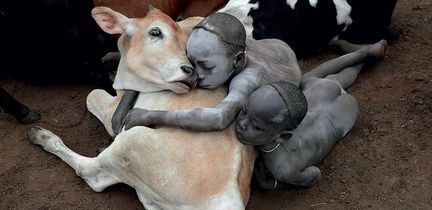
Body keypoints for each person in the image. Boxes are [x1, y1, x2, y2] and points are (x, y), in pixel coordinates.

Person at [111, 12, 301, 134]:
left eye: (206, 67)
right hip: (273, 47)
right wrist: (130, 94)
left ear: (238, 61)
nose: (196, 73)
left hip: (283, 60)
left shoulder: (248, 78)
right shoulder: (218, 45)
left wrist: (151, 116)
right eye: (192, 61)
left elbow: (219, 118)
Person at [235, 40, 387, 189]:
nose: (242, 123)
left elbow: (315, 174)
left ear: (282, 136)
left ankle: (364, 57)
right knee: (313, 80)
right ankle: (365, 54)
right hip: (333, 102)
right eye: (244, 112)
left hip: (344, 115)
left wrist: (272, 184)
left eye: (255, 126)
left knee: (326, 81)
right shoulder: (278, 139)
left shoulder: (283, 170)